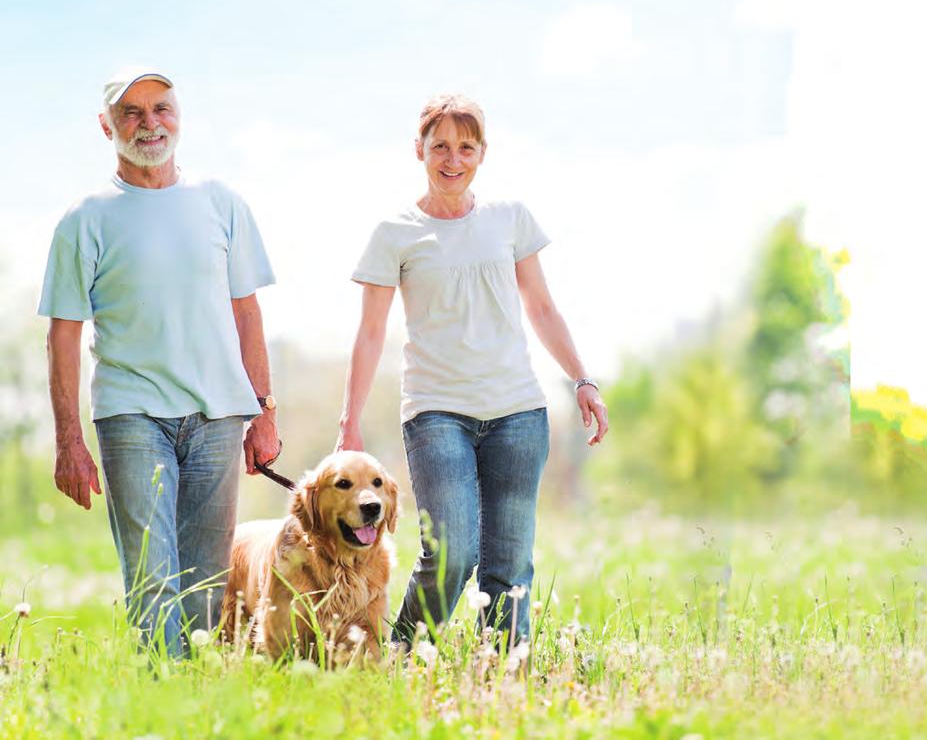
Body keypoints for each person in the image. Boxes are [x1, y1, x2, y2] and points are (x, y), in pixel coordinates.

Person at [338, 93, 609, 646]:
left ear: (482, 153)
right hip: (437, 412)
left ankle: (505, 677)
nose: (452, 159)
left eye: (466, 146)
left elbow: (541, 306)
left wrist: (582, 378)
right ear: (419, 150)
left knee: (509, 567)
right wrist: (350, 422)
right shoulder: (395, 232)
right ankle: (404, 655)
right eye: (440, 146)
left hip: (517, 413)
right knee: (452, 553)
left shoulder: (509, 219)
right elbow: (370, 333)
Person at [38, 68, 281, 655]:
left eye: (161, 109)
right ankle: (161, 698)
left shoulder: (221, 203)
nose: (149, 124)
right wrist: (69, 438)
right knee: (152, 578)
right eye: (132, 112)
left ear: (179, 116)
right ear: (107, 126)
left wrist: (264, 411)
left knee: (205, 584)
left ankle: (190, 703)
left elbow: (247, 314)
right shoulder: (84, 219)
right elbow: (63, 335)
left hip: (218, 418)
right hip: (131, 415)